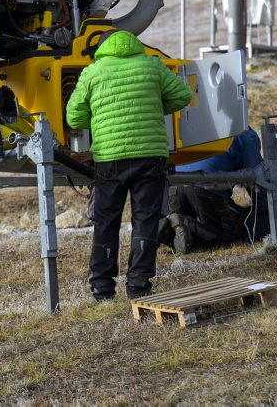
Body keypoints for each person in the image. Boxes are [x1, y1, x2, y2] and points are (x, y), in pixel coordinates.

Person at [66, 29, 192, 302]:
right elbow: (183, 95)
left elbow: (74, 117)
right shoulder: (152, 66)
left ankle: (102, 288)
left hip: (110, 157)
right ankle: (138, 285)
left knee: (106, 222)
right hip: (150, 155)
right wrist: (154, 107)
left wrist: (100, 120)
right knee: (146, 221)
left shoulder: (93, 72)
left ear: (102, 48)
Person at [161, 127, 266, 253]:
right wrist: (266, 208)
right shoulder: (244, 132)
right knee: (224, 238)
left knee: (179, 232)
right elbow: (257, 177)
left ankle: (166, 227)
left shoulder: (192, 122)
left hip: (175, 186)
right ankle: (181, 223)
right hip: (206, 186)